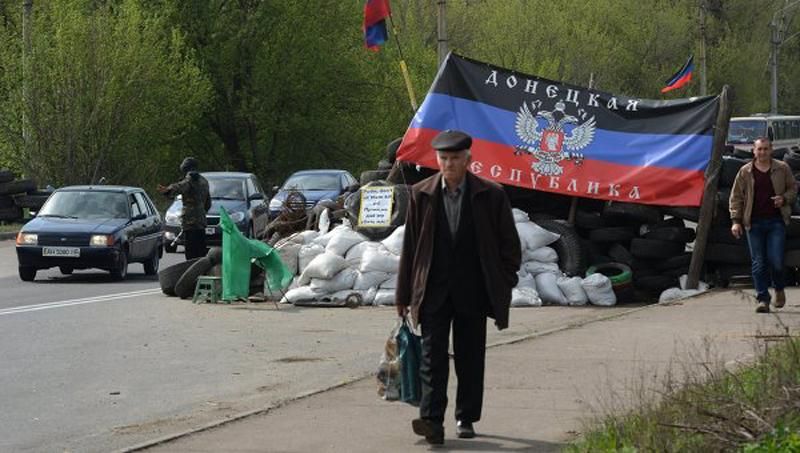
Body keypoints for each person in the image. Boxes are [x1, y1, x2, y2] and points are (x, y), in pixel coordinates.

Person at [396, 130, 521, 446]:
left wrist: (504, 280)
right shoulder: (421, 194)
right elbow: (410, 248)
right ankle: (432, 421)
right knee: (431, 357)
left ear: (469, 160)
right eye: (443, 158)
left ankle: (466, 417)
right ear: (437, 160)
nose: (448, 164)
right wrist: (403, 294)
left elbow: (509, 245)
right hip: (434, 290)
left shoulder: (490, 195)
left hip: (473, 289)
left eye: (455, 159)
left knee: (470, 356)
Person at [730, 137, 796, 313]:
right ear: (754, 151)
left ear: (771, 150)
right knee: (758, 263)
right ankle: (763, 299)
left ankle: (779, 289)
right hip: (754, 223)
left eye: (766, 149)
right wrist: (736, 221)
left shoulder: (782, 168)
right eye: (759, 149)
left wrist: (784, 199)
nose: (763, 152)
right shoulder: (745, 172)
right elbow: (736, 197)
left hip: (776, 222)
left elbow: (793, 189)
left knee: (776, 260)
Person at [158, 157, 211, 260]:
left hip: (190, 222)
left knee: (191, 253)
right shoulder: (204, 181)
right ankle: (201, 272)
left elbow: (179, 187)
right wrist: (201, 212)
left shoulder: (189, 180)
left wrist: (167, 190)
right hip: (201, 222)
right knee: (201, 252)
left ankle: (192, 273)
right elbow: (208, 203)